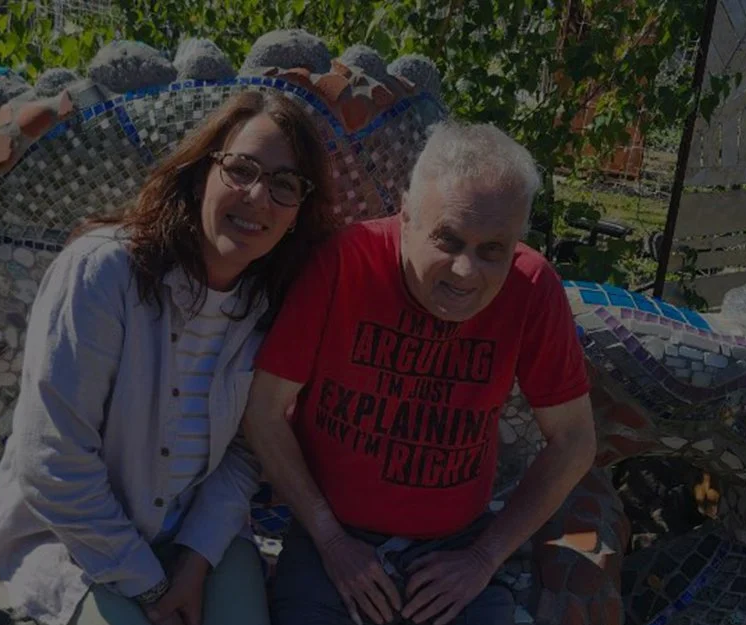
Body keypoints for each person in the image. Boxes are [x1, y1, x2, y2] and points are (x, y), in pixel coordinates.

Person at [0, 90, 340, 625]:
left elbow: (244, 453)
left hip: (196, 535)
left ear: (298, 214)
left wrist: (192, 565)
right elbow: (52, 462)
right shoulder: (102, 275)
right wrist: (149, 586)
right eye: (241, 169)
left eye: (285, 184)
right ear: (199, 175)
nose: (259, 196)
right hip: (74, 540)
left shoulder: (270, 305)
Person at [240, 120, 597, 625]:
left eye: (493, 249)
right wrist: (330, 539)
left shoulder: (532, 287)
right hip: (333, 539)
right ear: (406, 215)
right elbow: (264, 411)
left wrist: (483, 557)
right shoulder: (345, 263)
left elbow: (575, 440)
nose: (466, 271)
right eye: (448, 240)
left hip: (458, 548)